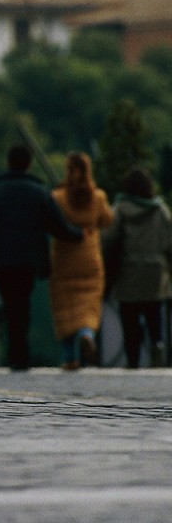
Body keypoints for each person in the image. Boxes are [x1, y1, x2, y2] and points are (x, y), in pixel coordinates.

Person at [0, 144, 83, 371]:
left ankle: (14, 353)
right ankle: (20, 355)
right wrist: (79, 235)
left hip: (1, 259)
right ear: (29, 163)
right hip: (28, 261)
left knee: (10, 302)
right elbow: (57, 225)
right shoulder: (39, 192)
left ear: (9, 162)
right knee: (22, 305)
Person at [49, 152, 113, 370]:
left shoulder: (58, 197)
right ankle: (86, 333)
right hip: (90, 258)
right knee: (90, 302)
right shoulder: (98, 197)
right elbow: (108, 220)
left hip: (64, 258)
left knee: (64, 304)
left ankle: (70, 357)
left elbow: (52, 223)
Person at [104, 167, 172, 368]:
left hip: (129, 270)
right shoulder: (160, 210)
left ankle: (133, 357)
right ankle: (157, 344)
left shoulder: (120, 209)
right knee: (153, 313)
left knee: (129, 316)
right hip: (155, 271)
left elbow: (108, 239)